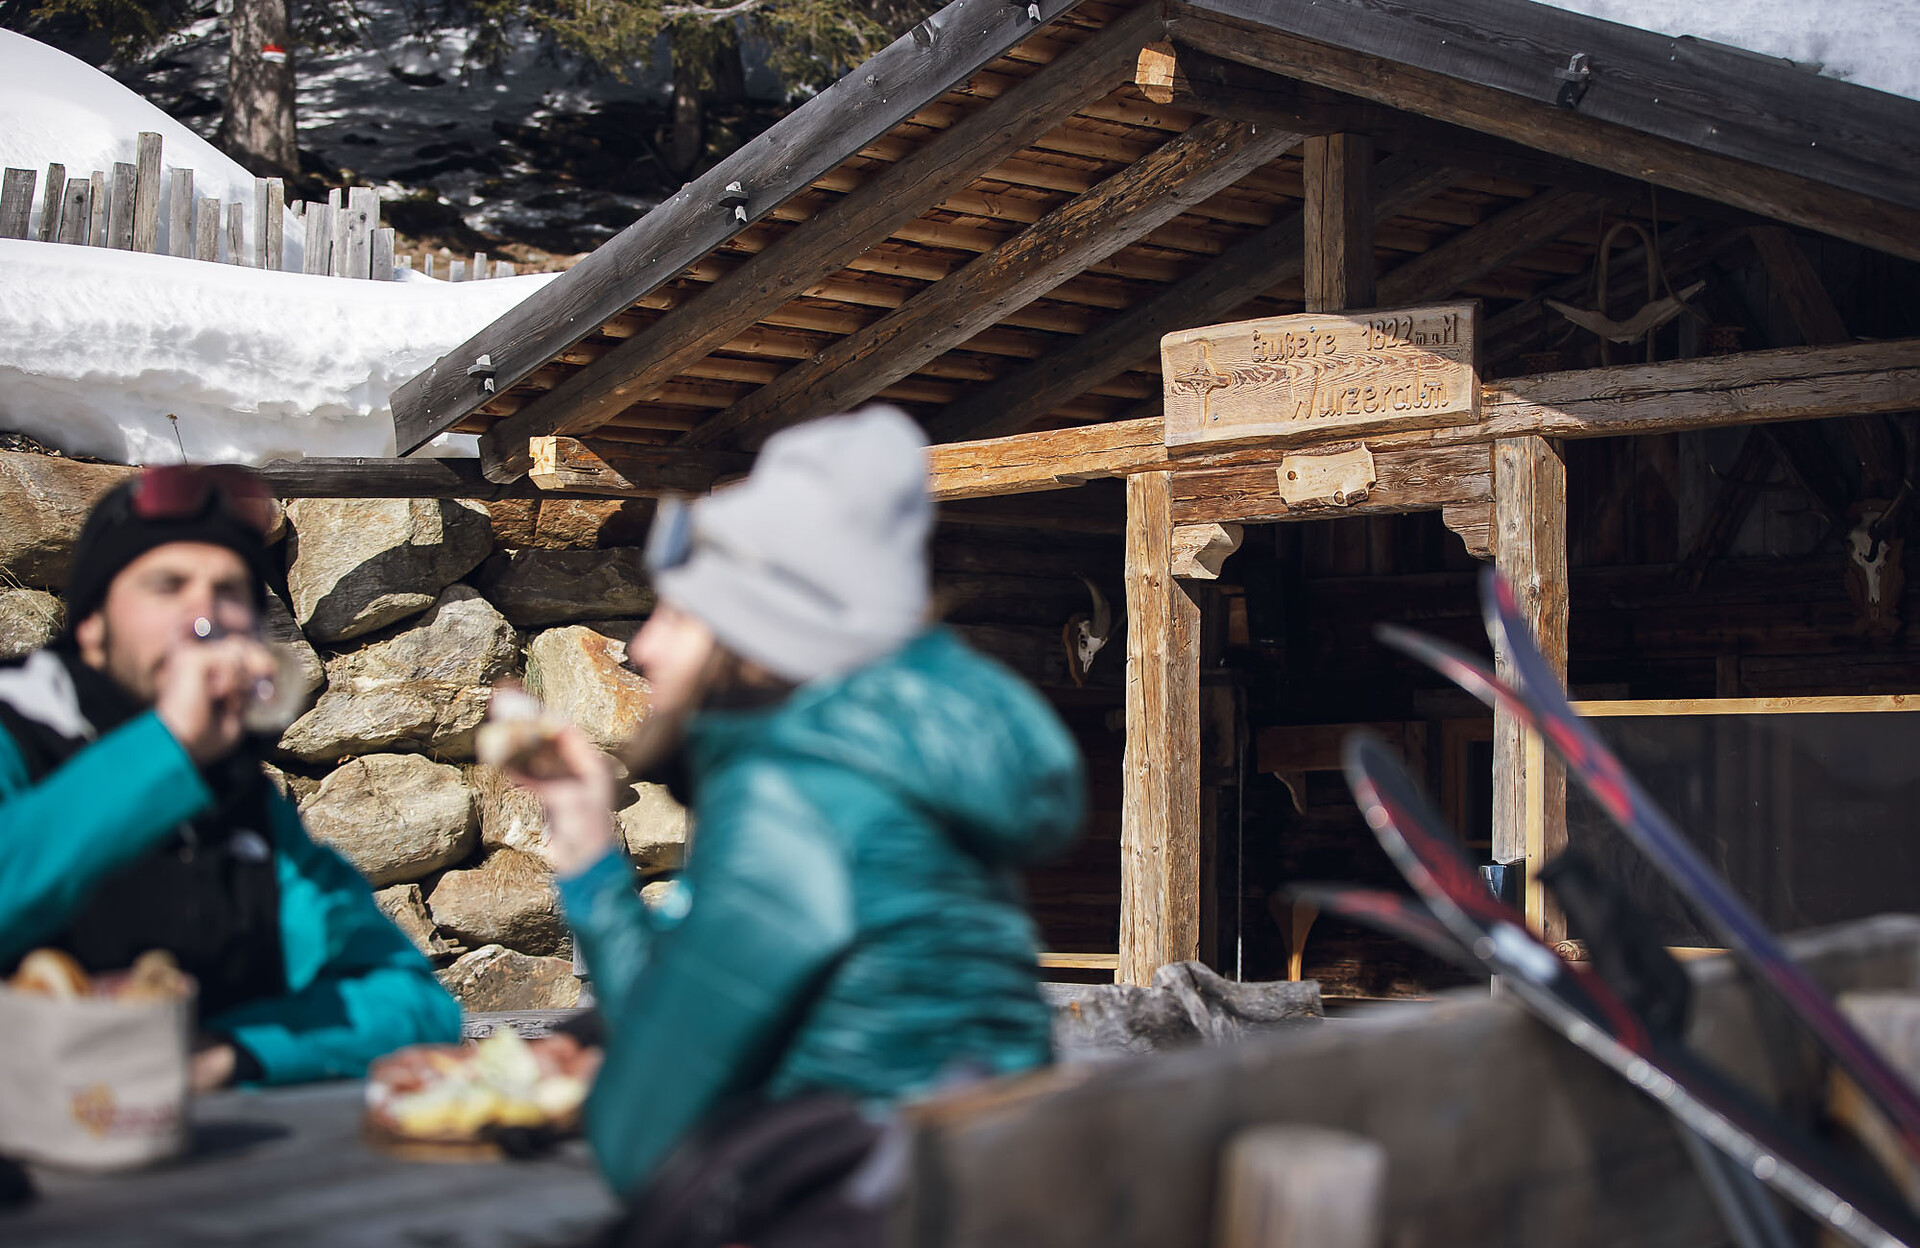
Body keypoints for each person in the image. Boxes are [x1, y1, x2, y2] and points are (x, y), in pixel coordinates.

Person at [508, 408, 1086, 1244]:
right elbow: (703, 1028)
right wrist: (588, 839)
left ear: (761, 637)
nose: (642, 646)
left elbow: (642, 1144)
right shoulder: (890, 773)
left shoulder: (795, 801)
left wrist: (596, 879)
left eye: (680, 615)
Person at [0, 465, 461, 1089]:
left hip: (190, 1140)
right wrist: (165, 747)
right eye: (167, 585)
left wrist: (228, 1052)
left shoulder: (238, 796)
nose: (204, 614)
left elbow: (415, 1005)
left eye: (228, 592)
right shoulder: (17, 730)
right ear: (92, 626)